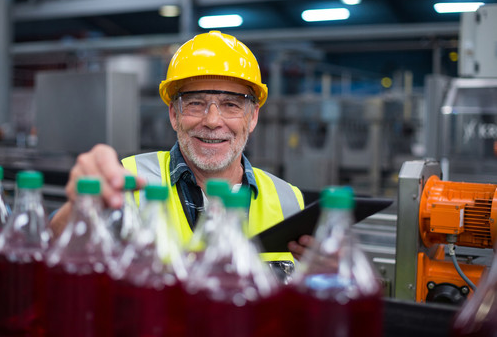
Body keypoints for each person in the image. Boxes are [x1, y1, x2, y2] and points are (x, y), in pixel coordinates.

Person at [50, 30, 314, 275]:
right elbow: (53, 248)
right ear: (174, 115)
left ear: (252, 117)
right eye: (196, 103)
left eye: (231, 105)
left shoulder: (289, 200)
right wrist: (79, 208)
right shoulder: (127, 180)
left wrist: (326, 271)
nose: (212, 121)